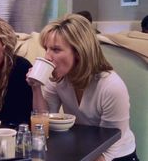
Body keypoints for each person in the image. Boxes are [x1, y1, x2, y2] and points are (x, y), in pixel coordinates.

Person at [27, 14, 139, 161]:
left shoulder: (111, 86)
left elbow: (112, 142)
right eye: (46, 48)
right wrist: (36, 87)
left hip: (117, 154)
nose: (47, 56)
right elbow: (43, 122)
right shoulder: (57, 79)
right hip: (84, 149)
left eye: (56, 49)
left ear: (79, 53)